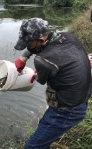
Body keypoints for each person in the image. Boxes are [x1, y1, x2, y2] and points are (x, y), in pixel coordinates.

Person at [14, 17, 92, 149]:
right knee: (43, 133)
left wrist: (31, 73)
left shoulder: (43, 60)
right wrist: (24, 57)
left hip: (67, 111)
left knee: (32, 146)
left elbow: (39, 79)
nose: (27, 46)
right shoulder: (67, 36)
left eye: (29, 43)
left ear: (42, 40)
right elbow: (42, 50)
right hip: (81, 100)